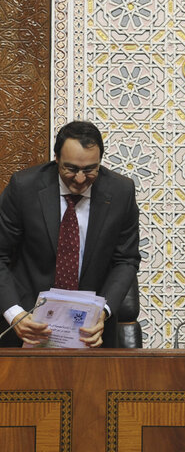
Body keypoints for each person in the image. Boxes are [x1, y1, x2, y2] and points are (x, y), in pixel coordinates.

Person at [0, 121, 140, 348]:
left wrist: (102, 312)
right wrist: (15, 313)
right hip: (26, 325)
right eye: (71, 169)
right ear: (56, 158)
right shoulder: (24, 188)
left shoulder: (120, 192)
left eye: (90, 169)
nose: (80, 179)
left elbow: (126, 259)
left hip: (91, 331)